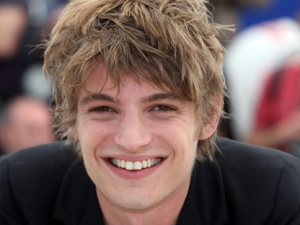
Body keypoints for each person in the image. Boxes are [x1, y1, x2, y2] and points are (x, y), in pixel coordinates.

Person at [0, 0, 299, 224]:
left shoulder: (277, 198)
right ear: (70, 118)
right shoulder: (15, 195)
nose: (132, 140)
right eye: (104, 108)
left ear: (209, 116)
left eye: (161, 108)